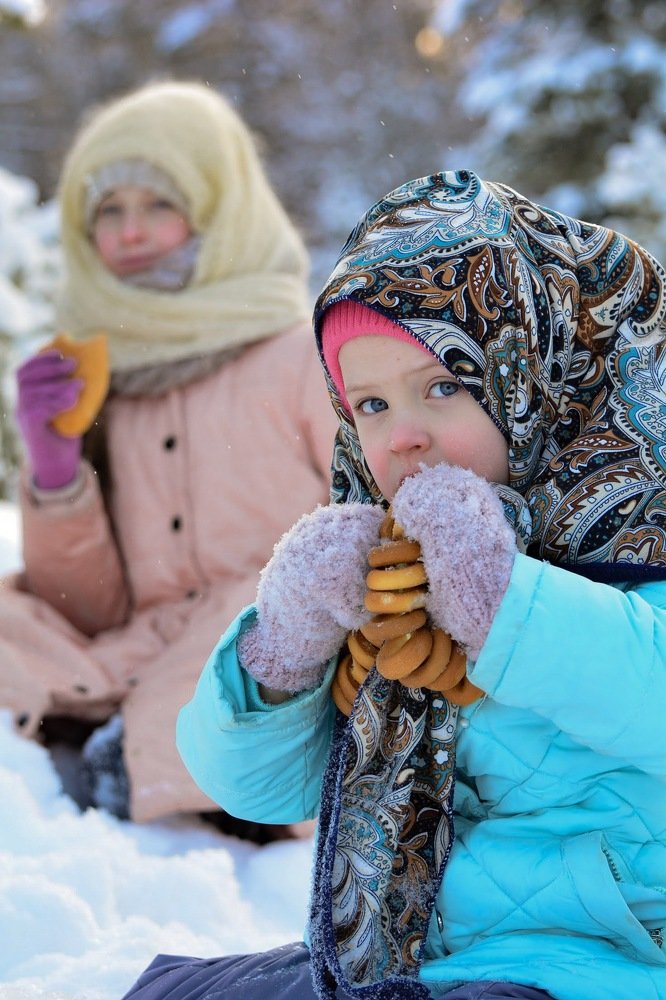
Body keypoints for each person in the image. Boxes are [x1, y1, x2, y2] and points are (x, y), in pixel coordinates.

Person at [120, 170, 666, 999]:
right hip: (411, 960)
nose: (403, 436)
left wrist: (502, 603)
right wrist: (290, 640)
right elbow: (255, 789)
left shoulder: (642, 531)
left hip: (597, 964)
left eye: (445, 386)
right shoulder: (387, 569)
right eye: (369, 405)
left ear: (540, 378)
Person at [1, 79, 338, 829]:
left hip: (278, 627)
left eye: (159, 203)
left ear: (221, 209)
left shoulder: (303, 355)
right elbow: (91, 608)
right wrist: (56, 467)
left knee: (248, 646)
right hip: (144, 638)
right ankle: (124, 744)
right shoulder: (103, 372)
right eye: (108, 212)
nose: (130, 232)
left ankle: (146, 763)